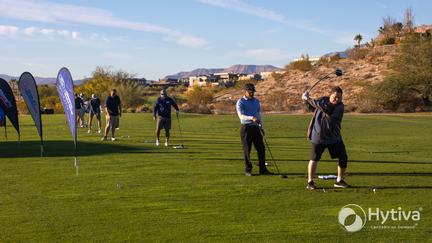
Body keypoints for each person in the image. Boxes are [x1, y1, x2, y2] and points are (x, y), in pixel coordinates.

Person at [302, 86, 350, 190]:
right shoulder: (322, 100)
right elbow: (311, 108)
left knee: (343, 157)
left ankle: (339, 180)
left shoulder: (339, 107)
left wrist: (308, 99)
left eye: (339, 98)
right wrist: (305, 101)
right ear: (330, 95)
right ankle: (310, 182)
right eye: (335, 97)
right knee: (314, 159)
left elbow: (326, 108)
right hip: (318, 136)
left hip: (334, 136)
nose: (337, 99)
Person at [236, 83, 272, 176]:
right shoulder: (240, 102)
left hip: (256, 127)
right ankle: (248, 170)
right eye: (250, 92)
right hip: (246, 128)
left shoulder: (256, 101)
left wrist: (262, 127)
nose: (252, 93)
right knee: (247, 150)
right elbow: (241, 116)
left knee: (261, 149)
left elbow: (258, 115)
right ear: (245, 91)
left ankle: (263, 169)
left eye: (253, 92)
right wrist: (251, 118)